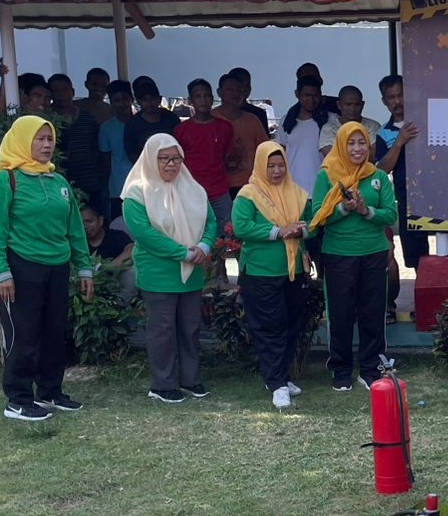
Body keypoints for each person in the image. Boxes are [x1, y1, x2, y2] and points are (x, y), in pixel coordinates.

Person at [0, 115, 94, 423]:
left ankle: (50, 391)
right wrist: (0, 272)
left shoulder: (57, 181)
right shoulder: (5, 180)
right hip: (21, 267)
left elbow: (74, 229)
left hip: (57, 265)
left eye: (50, 139)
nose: (47, 145)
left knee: (54, 331)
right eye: (39, 138)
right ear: (22, 140)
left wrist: (84, 267)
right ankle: (18, 398)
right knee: (24, 334)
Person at [121, 135, 216, 405]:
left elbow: (209, 220)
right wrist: (183, 253)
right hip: (159, 273)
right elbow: (144, 233)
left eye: (176, 158)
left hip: (192, 270)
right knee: (162, 329)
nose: (171, 164)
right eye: (164, 158)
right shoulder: (136, 192)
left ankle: (191, 380)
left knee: (190, 327)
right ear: (152, 159)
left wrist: (205, 246)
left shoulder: (193, 188)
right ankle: (162, 384)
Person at [306, 121, 396, 390]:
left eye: (362, 143)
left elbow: (391, 214)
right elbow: (317, 218)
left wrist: (365, 210)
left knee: (372, 313)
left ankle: (370, 369)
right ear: (340, 145)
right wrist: (344, 209)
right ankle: (341, 369)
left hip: (373, 253)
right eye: (351, 143)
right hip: (339, 254)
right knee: (341, 313)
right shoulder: (327, 175)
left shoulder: (377, 175)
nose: (357, 149)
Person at [232, 141, 312, 408]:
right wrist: (279, 231)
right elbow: (242, 227)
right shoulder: (248, 194)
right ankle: (276, 383)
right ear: (260, 165)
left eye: (280, 165)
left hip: (294, 270)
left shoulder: (298, 193)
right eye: (271, 165)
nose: (277, 171)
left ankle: (280, 376)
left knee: (291, 325)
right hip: (260, 272)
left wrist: (301, 230)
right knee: (270, 327)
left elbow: (311, 223)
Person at [374, 73, 430, 281]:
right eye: (391, 98)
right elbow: (382, 169)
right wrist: (399, 141)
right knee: (417, 255)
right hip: (408, 201)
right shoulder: (383, 133)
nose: (397, 102)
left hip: (440, 197)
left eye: (400, 95)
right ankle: (422, 300)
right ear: (384, 101)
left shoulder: (426, 120)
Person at [173, 78, 234, 230]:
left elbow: (227, 155)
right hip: (191, 192)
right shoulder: (181, 130)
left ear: (213, 99)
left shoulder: (224, 127)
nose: (203, 100)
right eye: (198, 96)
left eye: (207, 95)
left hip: (219, 191)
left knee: (227, 236)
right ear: (190, 100)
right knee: (194, 234)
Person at [47, 73, 107, 215]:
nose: (60, 95)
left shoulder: (88, 118)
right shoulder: (46, 121)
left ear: (72, 92)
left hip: (89, 182)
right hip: (57, 183)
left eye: (64, 90)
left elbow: (97, 148)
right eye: (56, 91)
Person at [216, 72, 269, 197]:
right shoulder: (211, 118)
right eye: (230, 89)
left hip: (249, 187)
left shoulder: (253, 120)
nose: (235, 93)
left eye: (238, 90)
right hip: (218, 188)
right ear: (219, 92)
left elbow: (265, 151)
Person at [281, 74, 331, 194]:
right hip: (293, 192)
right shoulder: (286, 121)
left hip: (323, 191)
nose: (311, 100)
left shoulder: (331, 120)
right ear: (297, 94)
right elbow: (281, 153)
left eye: (315, 96)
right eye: (306, 95)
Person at [99, 78, 136, 214]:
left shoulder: (141, 122)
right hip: (118, 187)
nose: (122, 103)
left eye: (125, 99)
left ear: (131, 99)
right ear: (111, 102)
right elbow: (106, 160)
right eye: (117, 100)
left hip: (144, 185)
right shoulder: (106, 128)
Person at [125, 75, 178, 165]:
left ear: (160, 99)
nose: (150, 103)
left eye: (153, 98)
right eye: (145, 99)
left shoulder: (171, 118)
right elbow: (131, 154)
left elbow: (179, 146)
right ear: (138, 101)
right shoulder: (132, 124)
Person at [319, 84, 377, 161]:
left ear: (362, 105)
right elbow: (332, 157)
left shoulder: (373, 126)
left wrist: (343, 151)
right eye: (348, 104)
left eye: (357, 104)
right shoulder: (329, 129)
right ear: (339, 105)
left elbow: (375, 155)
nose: (352, 109)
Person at [225, 66, 272, 133]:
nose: (244, 89)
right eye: (239, 86)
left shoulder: (259, 114)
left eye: (247, 85)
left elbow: (264, 142)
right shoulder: (215, 115)